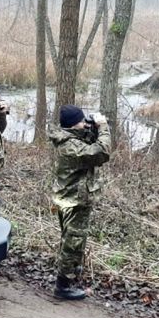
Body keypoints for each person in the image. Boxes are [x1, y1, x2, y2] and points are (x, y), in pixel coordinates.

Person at [49, 105, 111, 300]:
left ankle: (70, 276)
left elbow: (88, 143)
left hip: (72, 197)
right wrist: (103, 128)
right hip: (73, 201)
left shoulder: (70, 138)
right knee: (72, 243)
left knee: (73, 240)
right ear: (73, 124)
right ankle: (63, 287)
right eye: (81, 121)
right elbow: (101, 152)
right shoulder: (70, 146)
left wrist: (91, 128)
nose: (85, 124)